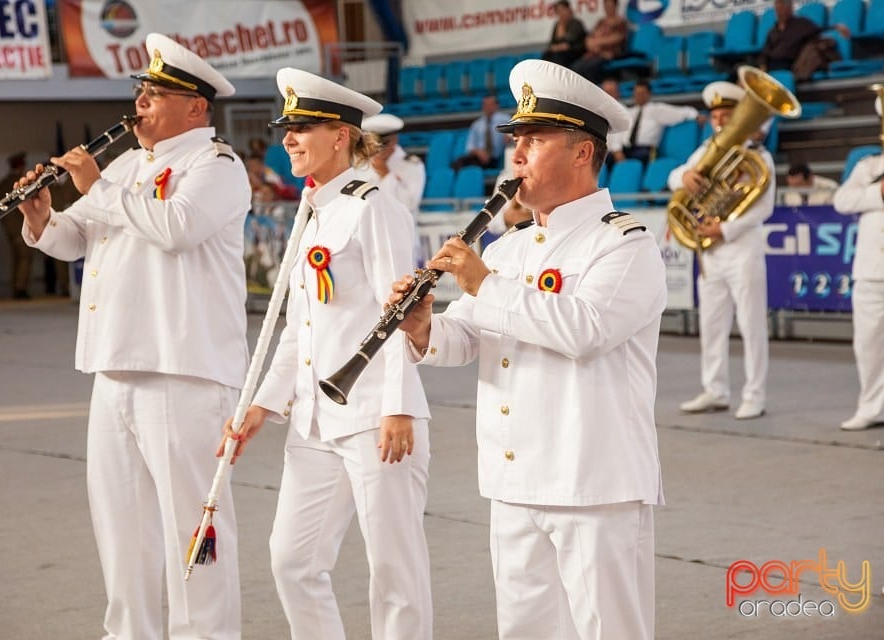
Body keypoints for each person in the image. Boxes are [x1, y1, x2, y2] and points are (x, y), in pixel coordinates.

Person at [392, 59, 666, 640]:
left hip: (593, 482)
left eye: (535, 139)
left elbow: (585, 330)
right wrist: (422, 327)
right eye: (516, 139)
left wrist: (483, 284)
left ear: (583, 152)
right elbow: (467, 335)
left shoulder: (624, 243)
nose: (517, 154)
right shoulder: (511, 247)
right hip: (514, 481)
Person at [14, 33, 250, 639]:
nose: (140, 102)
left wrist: (95, 187)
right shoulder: (124, 165)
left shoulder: (217, 164)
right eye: (140, 92)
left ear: (195, 108)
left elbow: (178, 227)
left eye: (155, 93)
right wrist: (41, 217)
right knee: (122, 531)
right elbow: (76, 237)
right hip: (115, 365)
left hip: (184, 372)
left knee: (193, 534)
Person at [221, 68, 433, 640]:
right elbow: (302, 325)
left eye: (302, 127)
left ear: (341, 134)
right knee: (293, 561)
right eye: (285, 128)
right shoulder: (313, 208)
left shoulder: (374, 206)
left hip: (374, 420)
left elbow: (399, 313)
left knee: (395, 571)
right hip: (315, 419)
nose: (287, 139)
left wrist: (398, 406)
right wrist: (264, 403)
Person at [671, 81, 774, 420]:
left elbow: (763, 208)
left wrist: (723, 229)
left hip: (741, 250)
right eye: (715, 115)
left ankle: (755, 394)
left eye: (726, 115)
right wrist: (684, 176)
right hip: (709, 255)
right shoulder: (704, 151)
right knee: (712, 325)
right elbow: (674, 178)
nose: (718, 121)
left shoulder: (760, 157)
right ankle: (715, 390)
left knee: (751, 324)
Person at [832, 96, 884, 432]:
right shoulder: (868, 166)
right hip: (869, 271)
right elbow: (842, 200)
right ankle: (873, 408)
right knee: (868, 344)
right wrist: (880, 192)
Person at [607, 79, 705, 166]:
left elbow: (682, 112)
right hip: (627, 149)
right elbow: (619, 133)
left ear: (649, 94)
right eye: (636, 93)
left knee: (638, 157)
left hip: (646, 150)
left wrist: (696, 115)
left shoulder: (657, 110)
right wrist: (617, 150)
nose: (639, 96)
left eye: (642, 93)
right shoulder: (629, 112)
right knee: (606, 158)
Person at [356, 113, 426, 217]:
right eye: (374, 144)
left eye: (383, 144)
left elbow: (409, 205)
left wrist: (386, 174)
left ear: (395, 140)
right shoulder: (360, 164)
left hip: (400, 229)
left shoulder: (412, 165)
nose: (379, 149)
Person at [758, 0, 848, 80]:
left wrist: (837, 27)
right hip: (772, 66)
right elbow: (765, 52)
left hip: (790, 65)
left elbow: (819, 30)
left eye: (782, 8)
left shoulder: (801, 24)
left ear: (789, 9)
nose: (779, 12)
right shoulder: (773, 30)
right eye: (777, 9)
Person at [0, 152, 35, 299]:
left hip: (18, 228)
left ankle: (19, 287)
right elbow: (8, 213)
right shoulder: (11, 183)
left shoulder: (5, 182)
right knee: (24, 258)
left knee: (20, 259)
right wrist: (15, 233)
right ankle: (20, 288)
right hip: (18, 229)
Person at [570, 0, 628, 83]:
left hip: (608, 54)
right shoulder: (601, 21)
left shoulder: (620, 22)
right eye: (606, 6)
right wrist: (592, 45)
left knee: (588, 69)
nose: (608, 8)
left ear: (616, 6)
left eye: (610, 6)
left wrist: (597, 42)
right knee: (575, 67)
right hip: (594, 53)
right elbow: (589, 39)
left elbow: (617, 38)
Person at [450, 95, 511, 171]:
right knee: (459, 162)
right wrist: (479, 153)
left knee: (470, 166)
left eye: (490, 104)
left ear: (496, 105)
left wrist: (508, 137)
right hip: (480, 157)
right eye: (485, 105)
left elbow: (511, 136)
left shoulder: (505, 120)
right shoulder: (477, 124)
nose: (487, 107)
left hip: (497, 157)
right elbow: (470, 147)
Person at [541, 0, 587, 69]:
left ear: (568, 10)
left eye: (562, 10)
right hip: (559, 51)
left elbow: (569, 42)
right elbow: (552, 43)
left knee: (558, 56)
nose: (561, 13)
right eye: (558, 11)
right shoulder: (557, 24)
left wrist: (562, 28)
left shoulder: (576, 23)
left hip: (574, 52)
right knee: (546, 55)